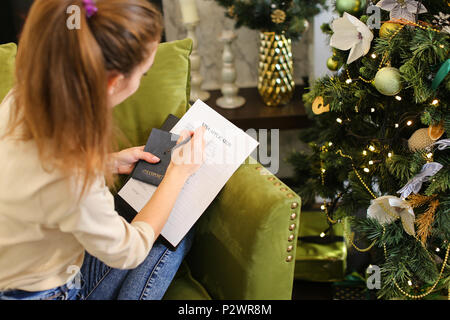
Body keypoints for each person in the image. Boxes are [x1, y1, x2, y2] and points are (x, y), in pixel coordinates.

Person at [0, 0, 206, 300]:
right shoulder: (71, 171)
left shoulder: (21, 97)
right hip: (44, 292)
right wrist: (177, 174)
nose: (141, 81)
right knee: (173, 232)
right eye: (143, 74)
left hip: (21, 268)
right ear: (112, 82)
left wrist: (104, 162)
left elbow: (29, 179)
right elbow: (130, 252)